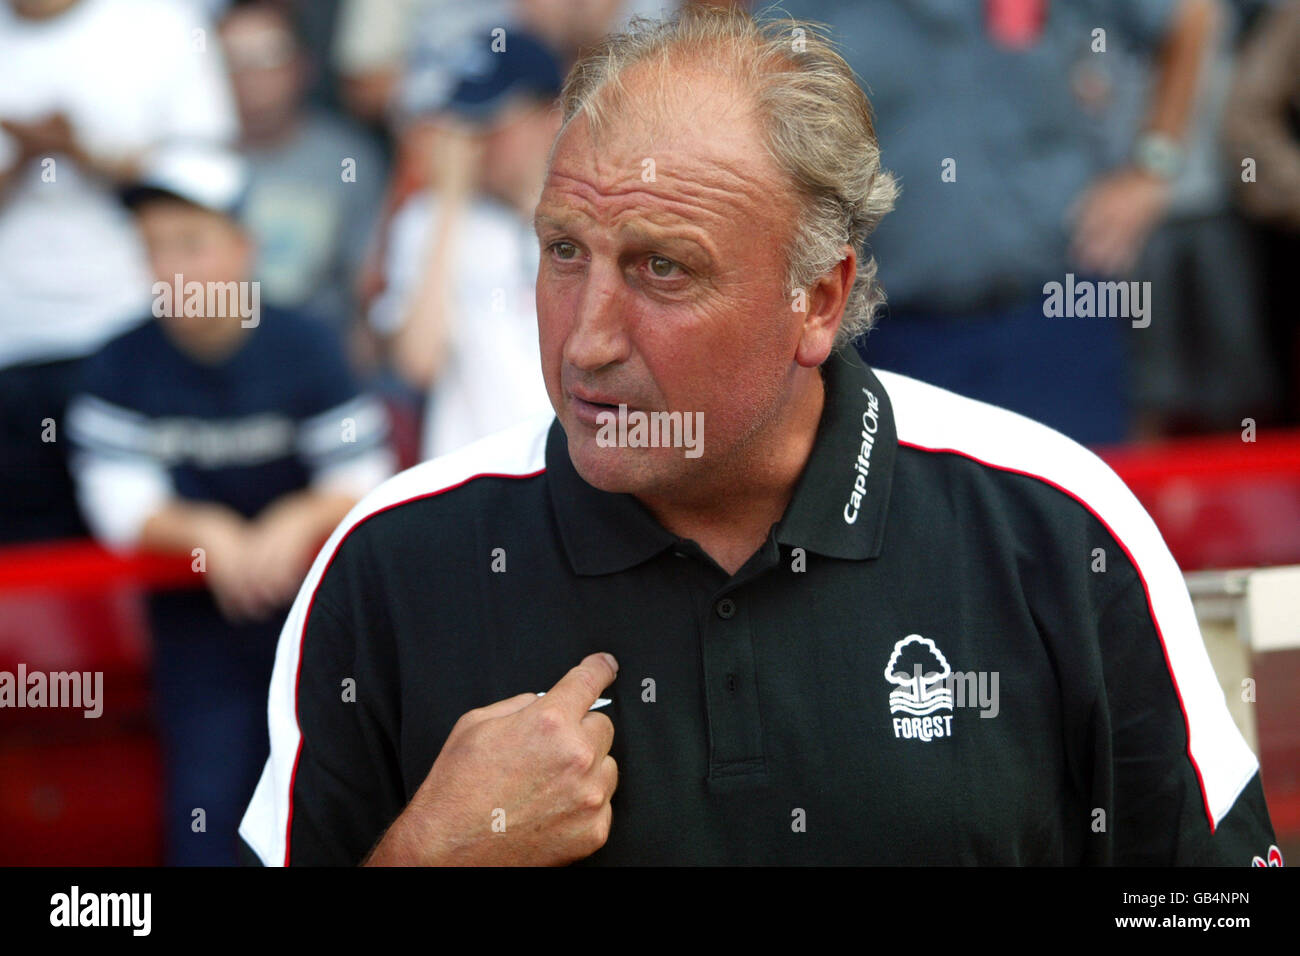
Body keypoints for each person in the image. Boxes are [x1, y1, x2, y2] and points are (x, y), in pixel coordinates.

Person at [239, 6, 1278, 866]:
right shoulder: (392, 561)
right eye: (563, 250)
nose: (585, 340)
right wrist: (426, 855)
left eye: (663, 269)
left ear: (817, 300)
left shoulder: (1051, 521)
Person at [66, 145, 394, 865]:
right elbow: (118, 502)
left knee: (326, 803)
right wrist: (206, 531)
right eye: (155, 247)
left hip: (316, 619)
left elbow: (365, 471)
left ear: (244, 246)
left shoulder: (308, 346)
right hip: (196, 636)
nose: (173, 266)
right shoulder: (119, 364)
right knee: (207, 813)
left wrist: (294, 521)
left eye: (193, 241)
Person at [0, 0, 238, 542]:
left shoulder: (161, 22)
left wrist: (81, 151)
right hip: (10, 343)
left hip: (137, 328)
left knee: (153, 540)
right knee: (26, 571)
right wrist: (21, 159)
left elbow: (210, 179)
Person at [371, 29, 562, 459]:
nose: (472, 143)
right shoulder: (426, 220)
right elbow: (418, 362)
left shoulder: (595, 216)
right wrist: (450, 201)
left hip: (575, 475)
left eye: (490, 122)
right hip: (469, 475)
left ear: (552, 116)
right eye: (461, 125)